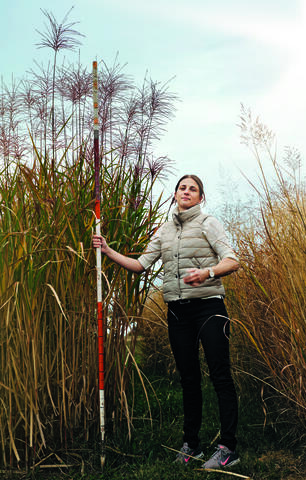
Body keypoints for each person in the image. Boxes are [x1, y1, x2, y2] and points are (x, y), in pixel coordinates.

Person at [92, 174, 240, 470]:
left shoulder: (208, 223)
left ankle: (228, 449)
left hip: (209, 307)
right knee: (188, 379)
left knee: (220, 375)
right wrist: (108, 251)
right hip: (177, 312)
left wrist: (207, 273)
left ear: (201, 198)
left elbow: (232, 260)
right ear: (175, 195)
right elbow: (140, 265)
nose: (187, 192)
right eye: (182, 187)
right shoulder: (164, 231)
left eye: (193, 189)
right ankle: (192, 445)